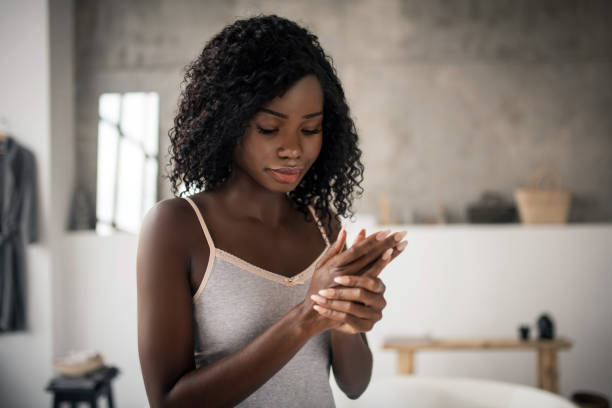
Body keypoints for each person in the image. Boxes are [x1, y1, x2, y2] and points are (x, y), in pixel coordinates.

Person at [137, 14, 407, 408]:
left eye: (310, 129)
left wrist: (345, 318)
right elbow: (170, 402)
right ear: (227, 124)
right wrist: (307, 317)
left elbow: (354, 385)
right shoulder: (177, 227)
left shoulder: (323, 225)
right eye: (269, 128)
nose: (293, 149)